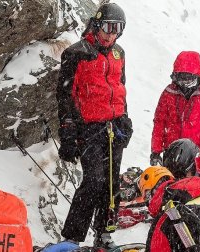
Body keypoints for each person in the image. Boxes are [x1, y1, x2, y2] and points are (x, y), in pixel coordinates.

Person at [52, 3, 133, 250]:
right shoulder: (77, 53)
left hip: (114, 126)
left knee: (112, 184)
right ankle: (72, 237)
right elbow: (64, 96)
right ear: (97, 24)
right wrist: (68, 132)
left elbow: (120, 89)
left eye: (117, 30)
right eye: (108, 28)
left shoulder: (119, 53)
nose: (111, 34)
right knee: (94, 181)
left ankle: (104, 233)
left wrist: (125, 118)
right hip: (89, 127)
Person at [150, 51, 200, 166]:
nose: (184, 84)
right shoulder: (168, 94)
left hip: (199, 156)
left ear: (198, 76)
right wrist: (156, 151)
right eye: (181, 79)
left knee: (195, 184)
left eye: (189, 79)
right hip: (171, 153)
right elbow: (159, 123)